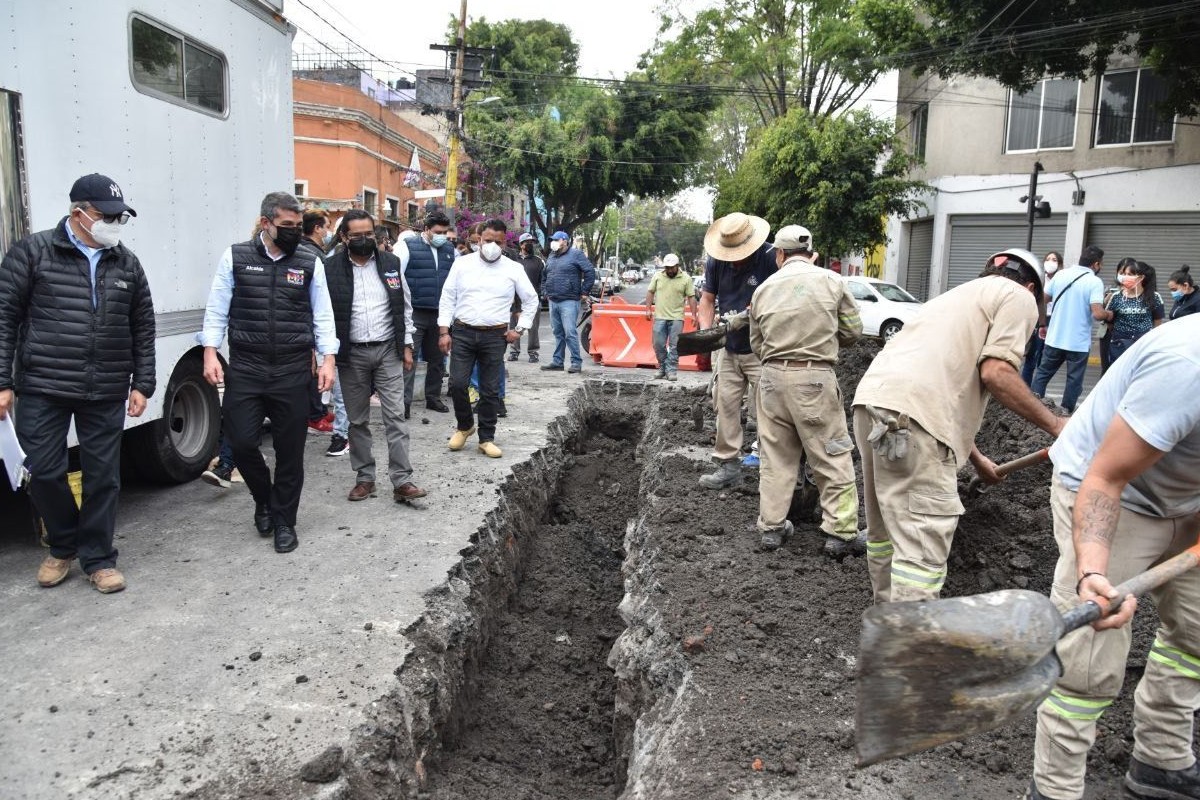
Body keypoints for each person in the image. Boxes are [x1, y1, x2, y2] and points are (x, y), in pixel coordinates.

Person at [1025, 315, 1200, 800]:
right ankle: (1054, 789)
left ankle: (1160, 762)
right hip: (1114, 491)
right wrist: (1093, 572)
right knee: (1090, 656)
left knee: (1196, 630)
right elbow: (1105, 479)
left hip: (1190, 498)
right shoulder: (1187, 365)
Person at [854, 249, 1065, 603]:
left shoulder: (953, 297)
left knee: (885, 533)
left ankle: (885, 628)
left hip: (873, 406)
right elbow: (996, 372)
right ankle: (908, 649)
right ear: (1031, 285)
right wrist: (1056, 424)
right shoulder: (1020, 298)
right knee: (922, 547)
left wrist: (979, 461)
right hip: (914, 419)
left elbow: (933, 386)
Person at [0, 173, 155, 594]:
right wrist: (2, 382)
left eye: (120, 217)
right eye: (107, 216)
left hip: (104, 387)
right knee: (44, 472)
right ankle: (64, 543)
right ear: (79, 214)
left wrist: (143, 382)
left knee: (103, 477)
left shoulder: (126, 262)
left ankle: (100, 559)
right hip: (42, 386)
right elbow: (4, 319)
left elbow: (142, 325)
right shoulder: (32, 252)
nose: (115, 224)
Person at [200, 191, 338, 554]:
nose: (294, 232)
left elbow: (323, 314)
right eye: (286, 226)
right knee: (243, 444)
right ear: (266, 223)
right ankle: (264, 498)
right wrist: (210, 352)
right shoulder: (236, 257)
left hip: (292, 371)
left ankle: (284, 522)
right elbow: (217, 308)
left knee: (290, 452)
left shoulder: (309, 261)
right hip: (246, 368)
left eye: (297, 225)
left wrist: (328, 360)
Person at [748, 225, 864, 554]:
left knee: (775, 457)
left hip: (771, 380)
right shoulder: (831, 281)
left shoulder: (764, 289)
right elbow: (853, 331)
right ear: (811, 253)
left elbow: (757, 343)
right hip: (814, 379)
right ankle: (840, 533)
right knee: (832, 455)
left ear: (779, 255)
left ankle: (771, 528)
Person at [324, 210, 426, 504]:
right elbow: (323, 314)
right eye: (357, 235)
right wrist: (324, 355)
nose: (364, 239)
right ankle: (365, 478)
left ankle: (402, 480)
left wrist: (406, 345)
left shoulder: (390, 264)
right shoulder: (330, 269)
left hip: (387, 351)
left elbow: (404, 307)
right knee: (357, 421)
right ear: (344, 237)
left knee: (395, 416)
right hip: (352, 353)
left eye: (369, 233)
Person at [438, 218, 538, 458]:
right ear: (479, 239)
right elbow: (448, 297)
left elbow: (531, 300)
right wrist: (443, 331)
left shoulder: (513, 268)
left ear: (505, 243)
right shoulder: (462, 264)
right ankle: (464, 427)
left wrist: (520, 329)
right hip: (462, 332)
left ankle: (486, 437)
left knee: (490, 389)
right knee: (457, 384)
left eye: (498, 242)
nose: (492, 245)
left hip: (495, 335)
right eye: (488, 240)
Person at [697, 212, 777, 490]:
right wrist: (707, 333)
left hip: (762, 348)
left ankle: (774, 470)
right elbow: (707, 300)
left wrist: (746, 316)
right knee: (726, 406)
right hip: (729, 348)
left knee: (769, 409)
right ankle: (729, 465)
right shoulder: (717, 260)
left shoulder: (770, 258)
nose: (734, 260)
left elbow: (778, 301)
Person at [1030, 245, 1106, 413]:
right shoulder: (1094, 282)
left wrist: (1043, 323)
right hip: (1078, 343)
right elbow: (1098, 313)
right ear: (1096, 264)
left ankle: (1034, 409)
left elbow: (1043, 299)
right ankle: (1065, 414)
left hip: (1055, 338)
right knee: (1074, 381)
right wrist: (1109, 314)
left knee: (1042, 375)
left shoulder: (1061, 275)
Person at [397, 210, 456, 418]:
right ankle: (403, 403)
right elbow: (396, 275)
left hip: (440, 314)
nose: (442, 235)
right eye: (437, 231)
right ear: (426, 230)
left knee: (438, 358)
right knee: (409, 358)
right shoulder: (407, 247)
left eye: (444, 231)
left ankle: (433, 397)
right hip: (414, 311)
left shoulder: (450, 249)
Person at [540, 231, 595, 374]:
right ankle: (558, 361)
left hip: (569, 300)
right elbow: (545, 275)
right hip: (553, 300)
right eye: (552, 240)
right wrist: (545, 292)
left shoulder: (576, 254)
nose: (553, 242)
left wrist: (585, 291)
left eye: (556, 240)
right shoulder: (552, 256)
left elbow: (589, 271)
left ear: (564, 240)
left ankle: (576, 362)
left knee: (570, 332)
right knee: (557, 332)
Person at [1099, 259, 1164, 373]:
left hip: (1142, 344)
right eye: (1123, 274)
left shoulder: (1154, 297)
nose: (1125, 277)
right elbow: (1109, 321)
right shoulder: (1116, 297)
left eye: (1129, 274)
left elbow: (1158, 323)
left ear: (1140, 278)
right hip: (1119, 344)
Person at [643, 253, 697, 381]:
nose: (669, 270)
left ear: (677, 266)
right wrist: (648, 309)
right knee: (658, 344)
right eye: (667, 267)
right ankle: (662, 367)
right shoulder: (658, 276)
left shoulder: (686, 279)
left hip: (677, 317)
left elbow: (691, 297)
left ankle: (671, 370)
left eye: (671, 268)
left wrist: (694, 315)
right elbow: (650, 292)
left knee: (674, 345)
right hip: (660, 316)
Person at [1022, 250, 1063, 386]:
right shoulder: (1038, 278)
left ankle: (1037, 391)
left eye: (1054, 260)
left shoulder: (1062, 279)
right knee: (1031, 357)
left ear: (1060, 264)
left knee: (1044, 358)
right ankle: (1026, 387)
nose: (1051, 262)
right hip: (1040, 320)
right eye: (1048, 259)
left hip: (1054, 319)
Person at [508, 233, 545, 363]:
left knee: (533, 327)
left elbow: (542, 280)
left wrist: (540, 294)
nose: (530, 244)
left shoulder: (538, 261)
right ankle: (514, 351)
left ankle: (533, 352)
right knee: (514, 325)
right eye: (527, 242)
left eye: (532, 242)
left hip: (532, 300)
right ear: (521, 244)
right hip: (514, 300)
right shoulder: (513, 260)